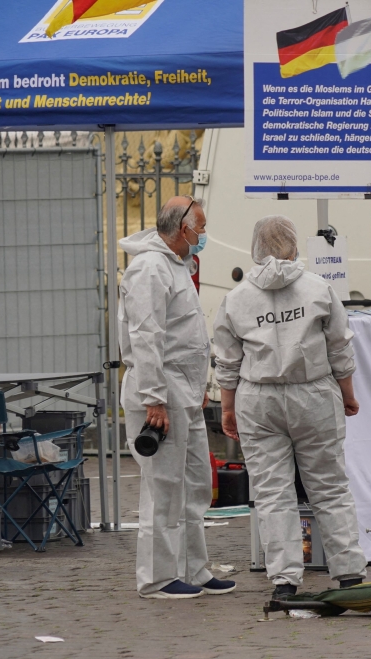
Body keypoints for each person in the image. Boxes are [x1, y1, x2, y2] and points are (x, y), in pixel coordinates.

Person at [213, 215, 367, 599]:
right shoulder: (318, 288)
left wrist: (227, 408)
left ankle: (284, 580)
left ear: (254, 248)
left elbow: (227, 361)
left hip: (258, 397)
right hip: (313, 392)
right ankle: (349, 572)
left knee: (271, 492)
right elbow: (339, 346)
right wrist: (347, 392)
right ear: (294, 246)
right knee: (329, 486)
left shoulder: (236, 299)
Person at [118, 195, 235, 600]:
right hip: (161, 395)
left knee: (194, 485)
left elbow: (183, 335)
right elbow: (146, 336)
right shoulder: (150, 269)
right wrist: (154, 399)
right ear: (182, 229)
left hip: (181, 392)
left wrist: (196, 388)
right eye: (200, 229)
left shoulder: (175, 266)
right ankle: (157, 577)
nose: (202, 236)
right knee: (164, 488)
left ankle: (193, 569)